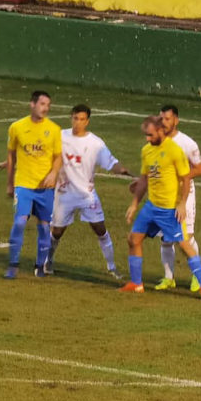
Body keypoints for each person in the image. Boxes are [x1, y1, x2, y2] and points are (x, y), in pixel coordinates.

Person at [120, 116, 201, 301]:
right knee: (133, 239)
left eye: (150, 135)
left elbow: (186, 179)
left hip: (169, 210)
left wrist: (181, 203)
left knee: (184, 245)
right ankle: (137, 284)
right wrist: (134, 204)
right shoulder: (146, 151)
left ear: (161, 131)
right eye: (145, 135)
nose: (147, 138)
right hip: (151, 207)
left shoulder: (174, 151)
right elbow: (145, 179)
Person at [44, 105, 133, 280]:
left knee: (100, 229)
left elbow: (111, 162)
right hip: (64, 194)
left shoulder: (95, 143)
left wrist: (122, 170)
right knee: (57, 232)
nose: (78, 123)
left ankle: (112, 267)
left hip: (87, 195)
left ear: (88, 121)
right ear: (71, 118)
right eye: (75, 118)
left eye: (82, 119)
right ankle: (48, 261)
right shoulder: (60, 137)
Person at [4, 91, 62, 279]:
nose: (45, 108)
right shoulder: (17, 127)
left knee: (44, 227)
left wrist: (53, 173)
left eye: (48, 105)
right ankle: (13, 265)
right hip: (24, 184)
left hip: (45, 188)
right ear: (32, 104)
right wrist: (10, 184)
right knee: (20, 222)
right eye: (42, 104)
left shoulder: (54, 130)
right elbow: (11, 156)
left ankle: (39, 266)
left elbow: (58, 157)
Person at [156, 104, 201, 293]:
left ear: (176, 120)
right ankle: (169, 278)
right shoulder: (157, 140)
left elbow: (199, 169)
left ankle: (197, 276)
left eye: (167, 119)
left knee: (186, 237)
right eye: (161, 119)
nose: (164, 123)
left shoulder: (187, 143)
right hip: (164, 196)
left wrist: (181, 177)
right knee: (166, 239)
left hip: (185, 195)